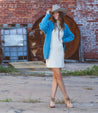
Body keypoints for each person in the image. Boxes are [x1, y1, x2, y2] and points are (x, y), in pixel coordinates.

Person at [39, 4, 74, 108]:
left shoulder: (64, 26)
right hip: (51, 53)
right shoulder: (49, 24)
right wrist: (46, 15)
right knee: (58, 75)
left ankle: (52, 99)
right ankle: (67, 98)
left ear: (61, 14)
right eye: (54, 12)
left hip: (59, 53)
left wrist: (63, 40)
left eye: (57, 12)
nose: (56, 14)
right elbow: (41, 26)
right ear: (52, 14)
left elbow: (71, 36)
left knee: (56, 76)